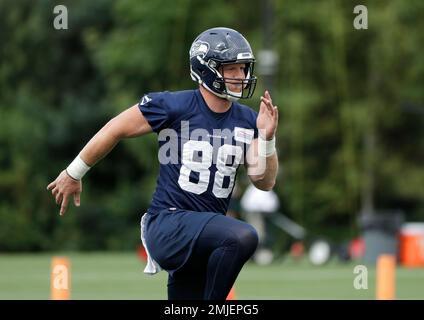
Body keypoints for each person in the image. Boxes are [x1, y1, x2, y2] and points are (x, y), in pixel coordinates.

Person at [47, 27, 279, 300]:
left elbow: (264, 182)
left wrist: (267, 139)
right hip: (170, 224)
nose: (241, 76)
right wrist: (73, 172)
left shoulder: (246, 119)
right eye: (232, 69)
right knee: (243, 236)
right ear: (206, 69)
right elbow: (115, 128)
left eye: (243, 69)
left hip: (206, 235)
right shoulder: (174, 105)